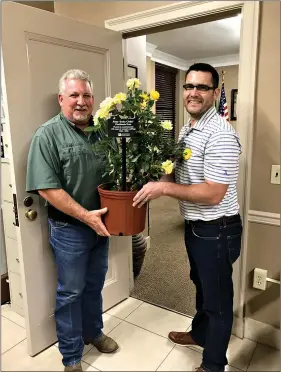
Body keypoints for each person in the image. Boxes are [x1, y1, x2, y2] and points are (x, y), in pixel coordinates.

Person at [133, 63, 243, 372]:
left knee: (218, 300)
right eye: (188, 86)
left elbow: (212, 193)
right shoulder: (188, 127)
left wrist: (164, 189)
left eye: (202, 87)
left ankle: (213, 365)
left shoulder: (220, 134)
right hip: (196, 226)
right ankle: (200, 333)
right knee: (201, 284)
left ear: (216, 92)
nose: (193, 93)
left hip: (217, 230)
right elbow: (182, 168)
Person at [26, 69, 119, 372]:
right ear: (61, 99)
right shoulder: (47, 135)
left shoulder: (103, 130)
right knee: (71, 292)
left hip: (102, 226)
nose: (81, 102)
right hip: (71, 230)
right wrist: (85, 217)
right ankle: (71, 357)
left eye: (87, 95)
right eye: (74, 95)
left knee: (94, 286)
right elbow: (48, 188)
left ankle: (93, 332)